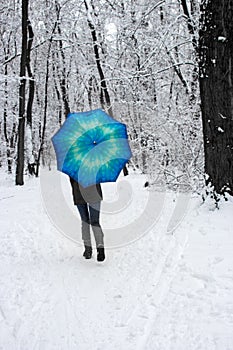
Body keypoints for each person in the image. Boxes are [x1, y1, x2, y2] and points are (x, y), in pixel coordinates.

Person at [69, 177, 105, 262]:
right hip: (94, 192)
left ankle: (88, 249)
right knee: (95, 222)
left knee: (85, 221)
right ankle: (100, 249)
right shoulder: (95, 163)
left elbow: (71, 179)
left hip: (79, 192)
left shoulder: (73, 164)